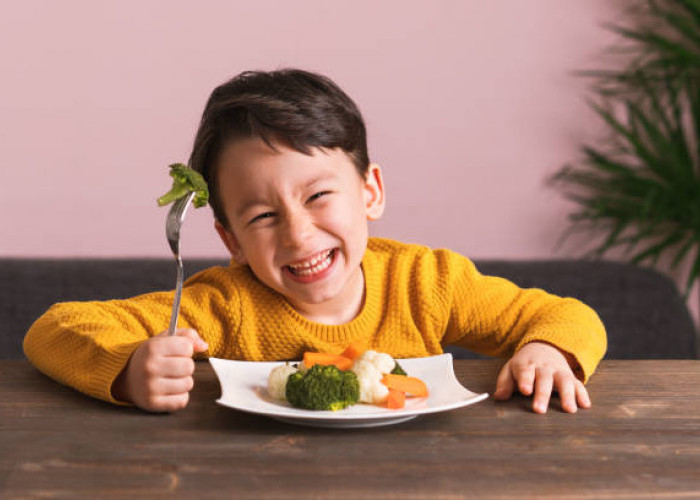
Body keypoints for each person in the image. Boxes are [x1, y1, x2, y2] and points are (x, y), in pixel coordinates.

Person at [24, 68, 607, 414]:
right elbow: (53, 331)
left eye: (319, 196)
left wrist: (550, 350)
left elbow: (565, 314)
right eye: (261, 217)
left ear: (370, 191)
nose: (299, 235)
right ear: (229, 238)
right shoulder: (220, 308)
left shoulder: (427, 283)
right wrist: (128, 370)